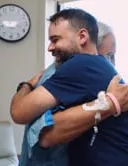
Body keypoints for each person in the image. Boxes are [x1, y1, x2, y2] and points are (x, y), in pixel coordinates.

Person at [10, 9, 128, 166]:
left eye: (55, 39)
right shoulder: (87, 66)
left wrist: (27, 85)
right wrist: (110, 103)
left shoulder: (82, 64)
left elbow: (30, 123)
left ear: (82, 36)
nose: (50, 47)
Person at [18, 21, 121, 166]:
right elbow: (44, 133)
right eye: (108, 56)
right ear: (90, 49)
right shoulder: (61, 76)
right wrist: (110, 103)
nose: (112, 64)